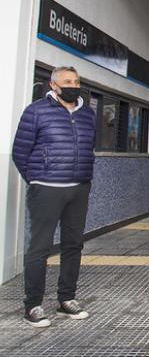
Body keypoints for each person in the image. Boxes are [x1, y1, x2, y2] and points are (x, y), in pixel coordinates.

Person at [12, 67, 96, 327]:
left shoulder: (88, 114)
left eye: (76, 81)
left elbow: (89, 147)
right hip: (46, 188)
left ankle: (66, 299)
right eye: (67, 81)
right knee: (40, 247)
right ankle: (33, 305)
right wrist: (37, 179)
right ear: (54, 85)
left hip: (79, 187)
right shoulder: (36, 111)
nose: (73, 85)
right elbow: (20, 151)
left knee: (73, 245)